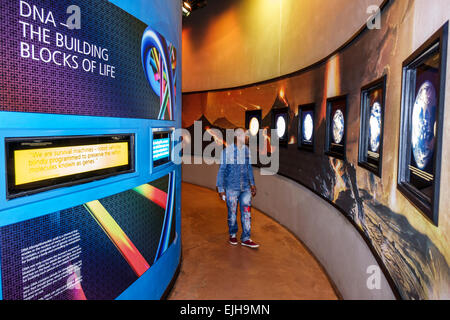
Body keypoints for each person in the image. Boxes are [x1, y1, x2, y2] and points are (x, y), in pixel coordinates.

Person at [216, 128, 259, 248]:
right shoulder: (227, 152)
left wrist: (252, 184)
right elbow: (222, 170)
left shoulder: (246, 151)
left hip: (245, 188)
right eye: (245, 135)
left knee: (246, 213)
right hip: (231, 188)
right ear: (237, 136)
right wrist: (220, 189)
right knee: (232, 214)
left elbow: (249, 168)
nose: (246, 138)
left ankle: (246, 238)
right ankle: (233, 234)